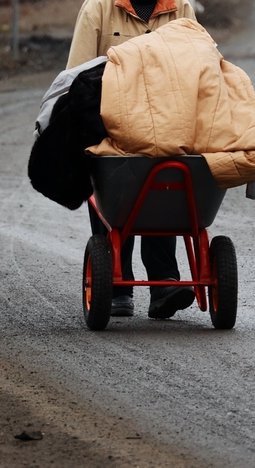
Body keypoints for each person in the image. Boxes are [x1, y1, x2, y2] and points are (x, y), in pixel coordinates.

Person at [67, 0, 198, 319]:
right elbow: (78, 74)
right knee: (112, 186)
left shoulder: (179, 7)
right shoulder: (98, 9)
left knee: (167, 182)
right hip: (112, 126)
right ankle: (115, 286)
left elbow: (199, 66)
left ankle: (164, 282)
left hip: (167, 125)